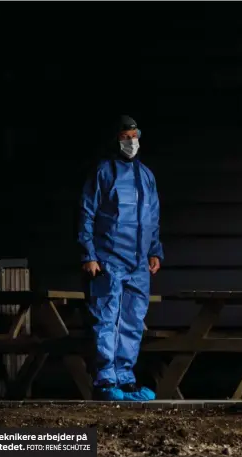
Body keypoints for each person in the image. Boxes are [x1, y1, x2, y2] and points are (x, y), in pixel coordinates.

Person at [78, 115, 164, 401]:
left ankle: (125, 379)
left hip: (138, 263)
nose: (131, 141)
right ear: (115, 140)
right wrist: (89, 255)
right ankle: (105, 380)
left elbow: (152, 217)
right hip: (109, 260)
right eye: (125, 137)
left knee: (132, 319)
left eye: (134, 135)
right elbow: (87, 213)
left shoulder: (146, 175)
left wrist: (154, 251)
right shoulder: (104, 172)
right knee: (107, 318)